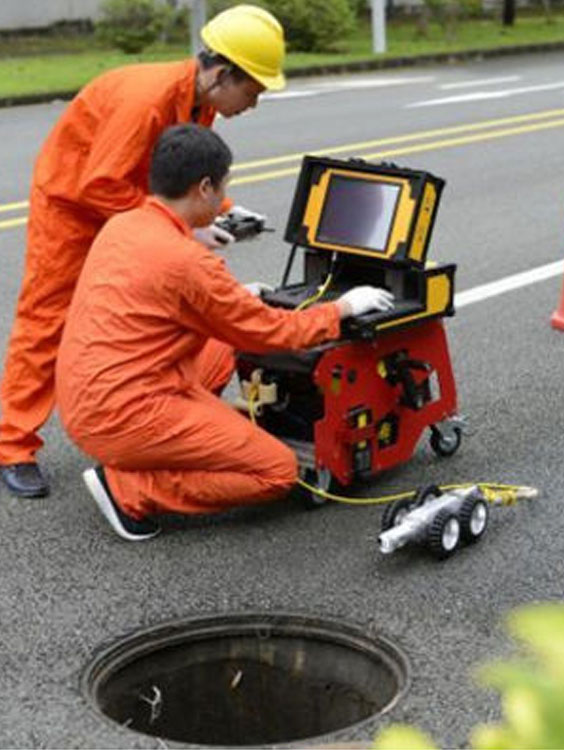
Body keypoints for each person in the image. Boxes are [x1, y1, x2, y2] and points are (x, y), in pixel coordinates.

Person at [55, 123, 393, 541]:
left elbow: (167, 296)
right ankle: (130, 489)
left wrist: (198, 244)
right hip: (123, 415)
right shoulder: (188, 263)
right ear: (203, 188)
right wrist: (342, 309)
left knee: (220, 343)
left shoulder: (123, 226)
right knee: (278, 470)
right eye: (222, 188)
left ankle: (186, 442)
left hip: (85, 396)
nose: (222, 198)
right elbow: (269, 333)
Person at [0, 5, 284, 499]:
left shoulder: (200, 100)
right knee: (47, 321)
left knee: (152, 314)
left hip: (126, 205)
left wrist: (226, 209)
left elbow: (186, 171)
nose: (253, 104)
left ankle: (152, 418)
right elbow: (100, 183)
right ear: (221, 74)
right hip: (73, 208)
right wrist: (181, 230)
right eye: (252, 91)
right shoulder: (147, 97)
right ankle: (12, 447)